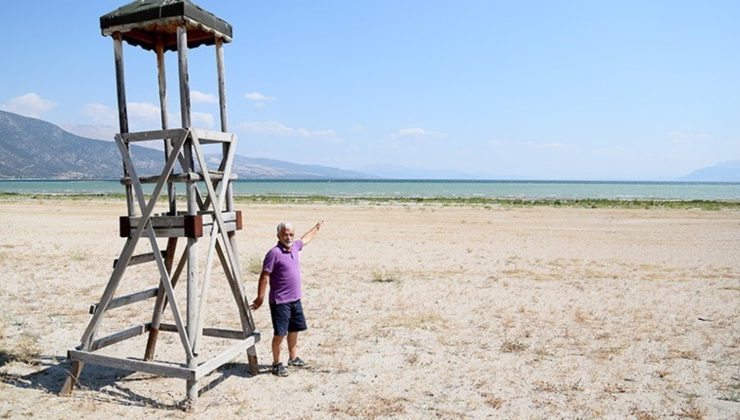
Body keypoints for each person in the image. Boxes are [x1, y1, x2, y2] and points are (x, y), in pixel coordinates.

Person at [250, 220, 324, 377]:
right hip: (280, 301)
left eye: (291, 234)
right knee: (280, 334)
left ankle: (293, 358)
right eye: (285, 234)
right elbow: (264, 276)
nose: (288, 237)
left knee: (294, 330)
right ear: (278, 235)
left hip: (295, 299)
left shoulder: (295, 247)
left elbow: (305, 239)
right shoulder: (273, 253)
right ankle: (276, 364)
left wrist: (316, 228)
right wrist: (260, 297)